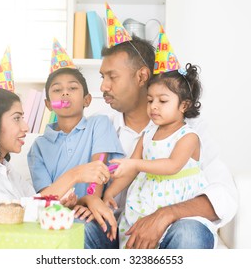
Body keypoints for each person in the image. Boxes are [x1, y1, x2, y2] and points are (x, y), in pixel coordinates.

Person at [83, 34, 238, 248]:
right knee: (79, 227)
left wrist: (166, 215)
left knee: (189, 233)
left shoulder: (191, 131)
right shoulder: (100, 126)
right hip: (120, 228)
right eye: (102, 77)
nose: (103, 87)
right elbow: (94, 183)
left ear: (141, 76)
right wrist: (101, 197)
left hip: (177, 227)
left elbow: (224, 195)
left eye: (112, 77)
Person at [0, 85, 109, 229]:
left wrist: (56, 206)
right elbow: (8, 214)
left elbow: (32, 204)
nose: (26, 127)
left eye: (23, 118)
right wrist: (74, 175)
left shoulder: (7, 171)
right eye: (17, 118)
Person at [104, 63, 218, 248]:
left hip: (176, 199)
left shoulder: (188, 136)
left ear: (184, 105)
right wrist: (110, 192)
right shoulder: (148, 134)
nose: (154, 107)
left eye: (162, 101)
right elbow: (130, 170)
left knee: (174, 237)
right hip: (146, 197)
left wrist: (136, 164)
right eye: (150, 100)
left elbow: (172, 166)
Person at [27, 39, 124, 223]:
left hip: (92, 214)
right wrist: (75, 202)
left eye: (72, 88)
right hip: (58, 216)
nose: (65, 93)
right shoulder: (38, 148)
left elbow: (99, 170)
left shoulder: (99, 124)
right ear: (48, 104)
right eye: (57, 90)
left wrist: (92, 199)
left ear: (87, 100)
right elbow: (47, 198)